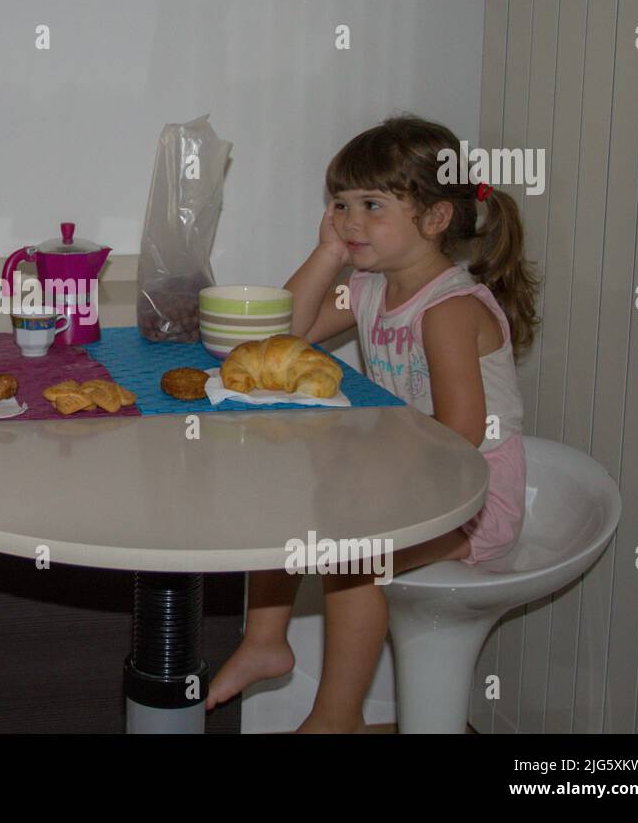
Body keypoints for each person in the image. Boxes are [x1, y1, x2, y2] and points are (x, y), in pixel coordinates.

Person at [205, 114, 541, 730]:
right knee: (283, 497)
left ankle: (335, 717)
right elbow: (282, 337)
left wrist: (365, 471)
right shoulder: (366, 288)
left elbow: (462, 432)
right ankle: (263, 643)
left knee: (354, 558)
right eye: (340, 203)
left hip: (474, 493)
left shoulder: (448, 309)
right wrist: (327, 252)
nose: (350, 219)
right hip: (416, 474)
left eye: (371, 205)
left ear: (436, 218)